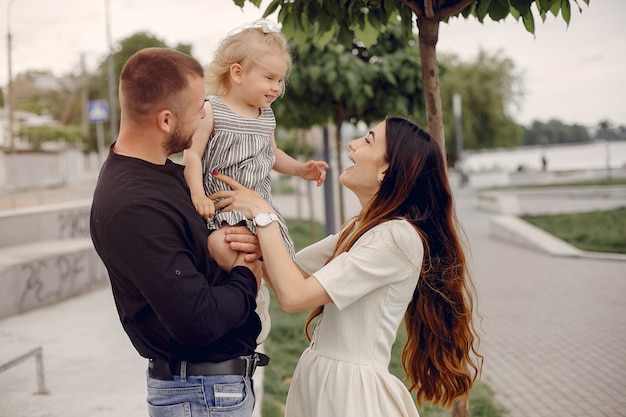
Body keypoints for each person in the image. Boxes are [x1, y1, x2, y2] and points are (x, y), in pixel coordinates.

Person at [212, 116, 483, 416]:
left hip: (353, 396)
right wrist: (260, 243)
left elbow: (293, 297)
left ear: (385, 170)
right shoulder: (362, 228)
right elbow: (286, 276)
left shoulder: (397, 237)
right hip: (326, 381)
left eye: (367, 140)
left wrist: (264, 215)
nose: (351, 144)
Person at [89, 47, 267, 417]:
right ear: (166, 120)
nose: (206, 114)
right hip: (200, 396)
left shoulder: (166, 174)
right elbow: (197, 320)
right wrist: (248, 275)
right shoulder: (133, 207)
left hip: (211, 390)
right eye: (198, 108)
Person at [182, 20, 328, 344]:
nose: (276, 87)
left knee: (284, 267)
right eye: (269, 78)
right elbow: (192, 155)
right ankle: (252, 295)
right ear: (237, 73)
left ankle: (305, 306)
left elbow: (273, 154)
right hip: (224, 206)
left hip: (261, 210)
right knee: (223, 246)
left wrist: (301, 169)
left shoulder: (266, 116)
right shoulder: (212, 110)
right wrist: (197, 194)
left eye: (279, 80)